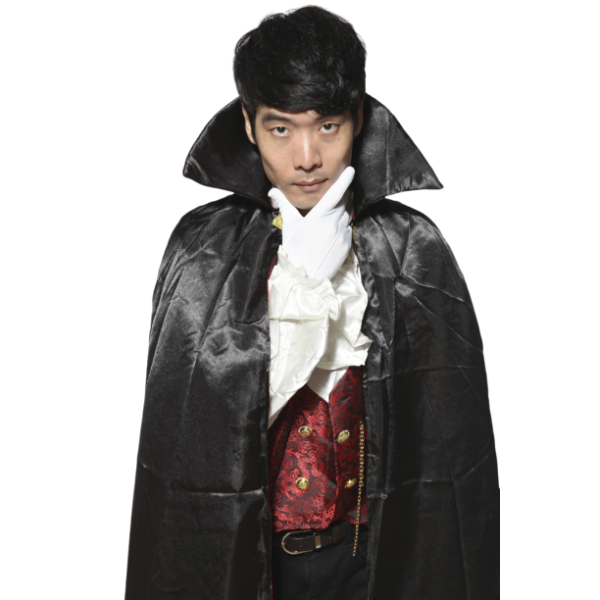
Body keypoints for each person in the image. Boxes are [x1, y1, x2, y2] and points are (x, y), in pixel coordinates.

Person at [124, 5, 500, 600]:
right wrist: (300, 284)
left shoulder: (414, 246)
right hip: (253, 562)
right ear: (248, 126)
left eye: (327, 126)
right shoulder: (201, 247)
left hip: (374, 560)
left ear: (358, 119)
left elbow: (451, 447)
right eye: (280, 129)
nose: (306, 157)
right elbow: (191, 430)